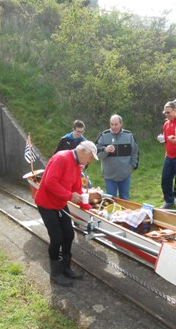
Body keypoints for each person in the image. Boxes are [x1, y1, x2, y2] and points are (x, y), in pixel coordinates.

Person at [35, 141, 98, 287]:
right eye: (91, 158)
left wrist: (87, 207)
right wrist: (69, 196)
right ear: (83, 152)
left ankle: (66, 268)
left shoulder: (76, 166)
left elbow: (78, 189)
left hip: (60, 203)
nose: (91, 161)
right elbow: (50, 183)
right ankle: (56, 273)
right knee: (57, 237)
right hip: (46, 203)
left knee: (69, 234)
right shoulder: (61, 158)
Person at [95, 114, 139, 200]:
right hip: (109, 175)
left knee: (125, 200)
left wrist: (132, 166)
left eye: (116, 124)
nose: (113, 127)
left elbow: (135, 152)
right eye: (111, 124)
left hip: (125, 175)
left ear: (121, 124)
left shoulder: (129, 135)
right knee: (111, 200)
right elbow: (96, 153)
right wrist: (105, 150)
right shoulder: (104, 135)